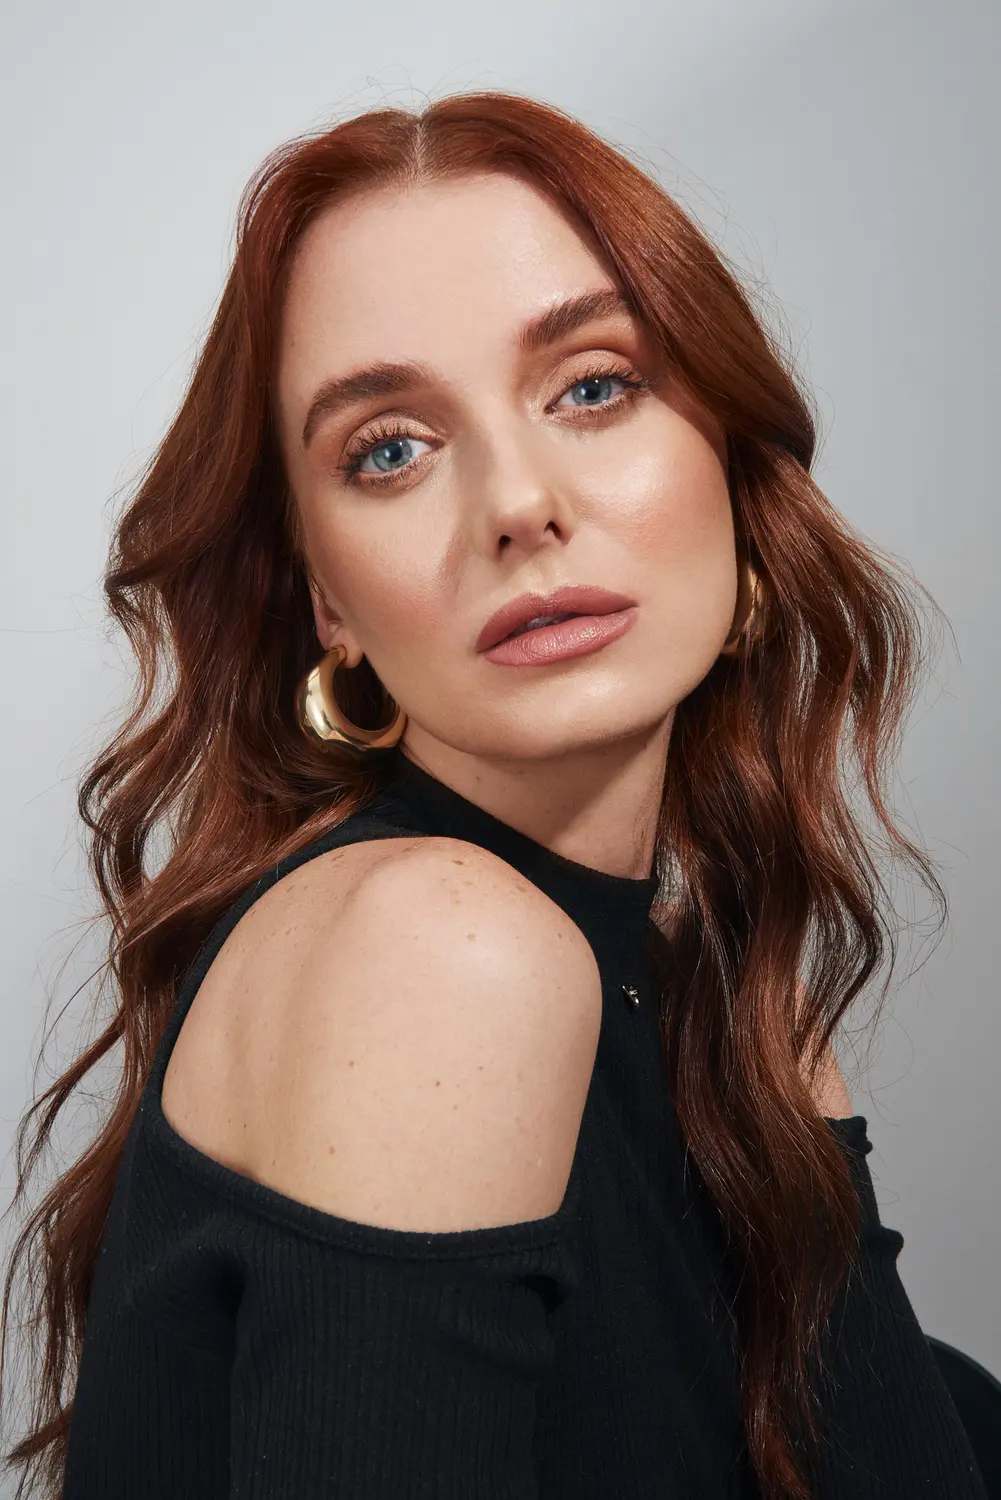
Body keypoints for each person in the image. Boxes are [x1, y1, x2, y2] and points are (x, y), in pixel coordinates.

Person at [0, 91, 988, 1500]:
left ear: (727, 465)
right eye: (389, 448)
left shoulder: (732, 1020)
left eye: (592, 386)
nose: (520, 504)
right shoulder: (437, 949)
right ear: (330, 603)